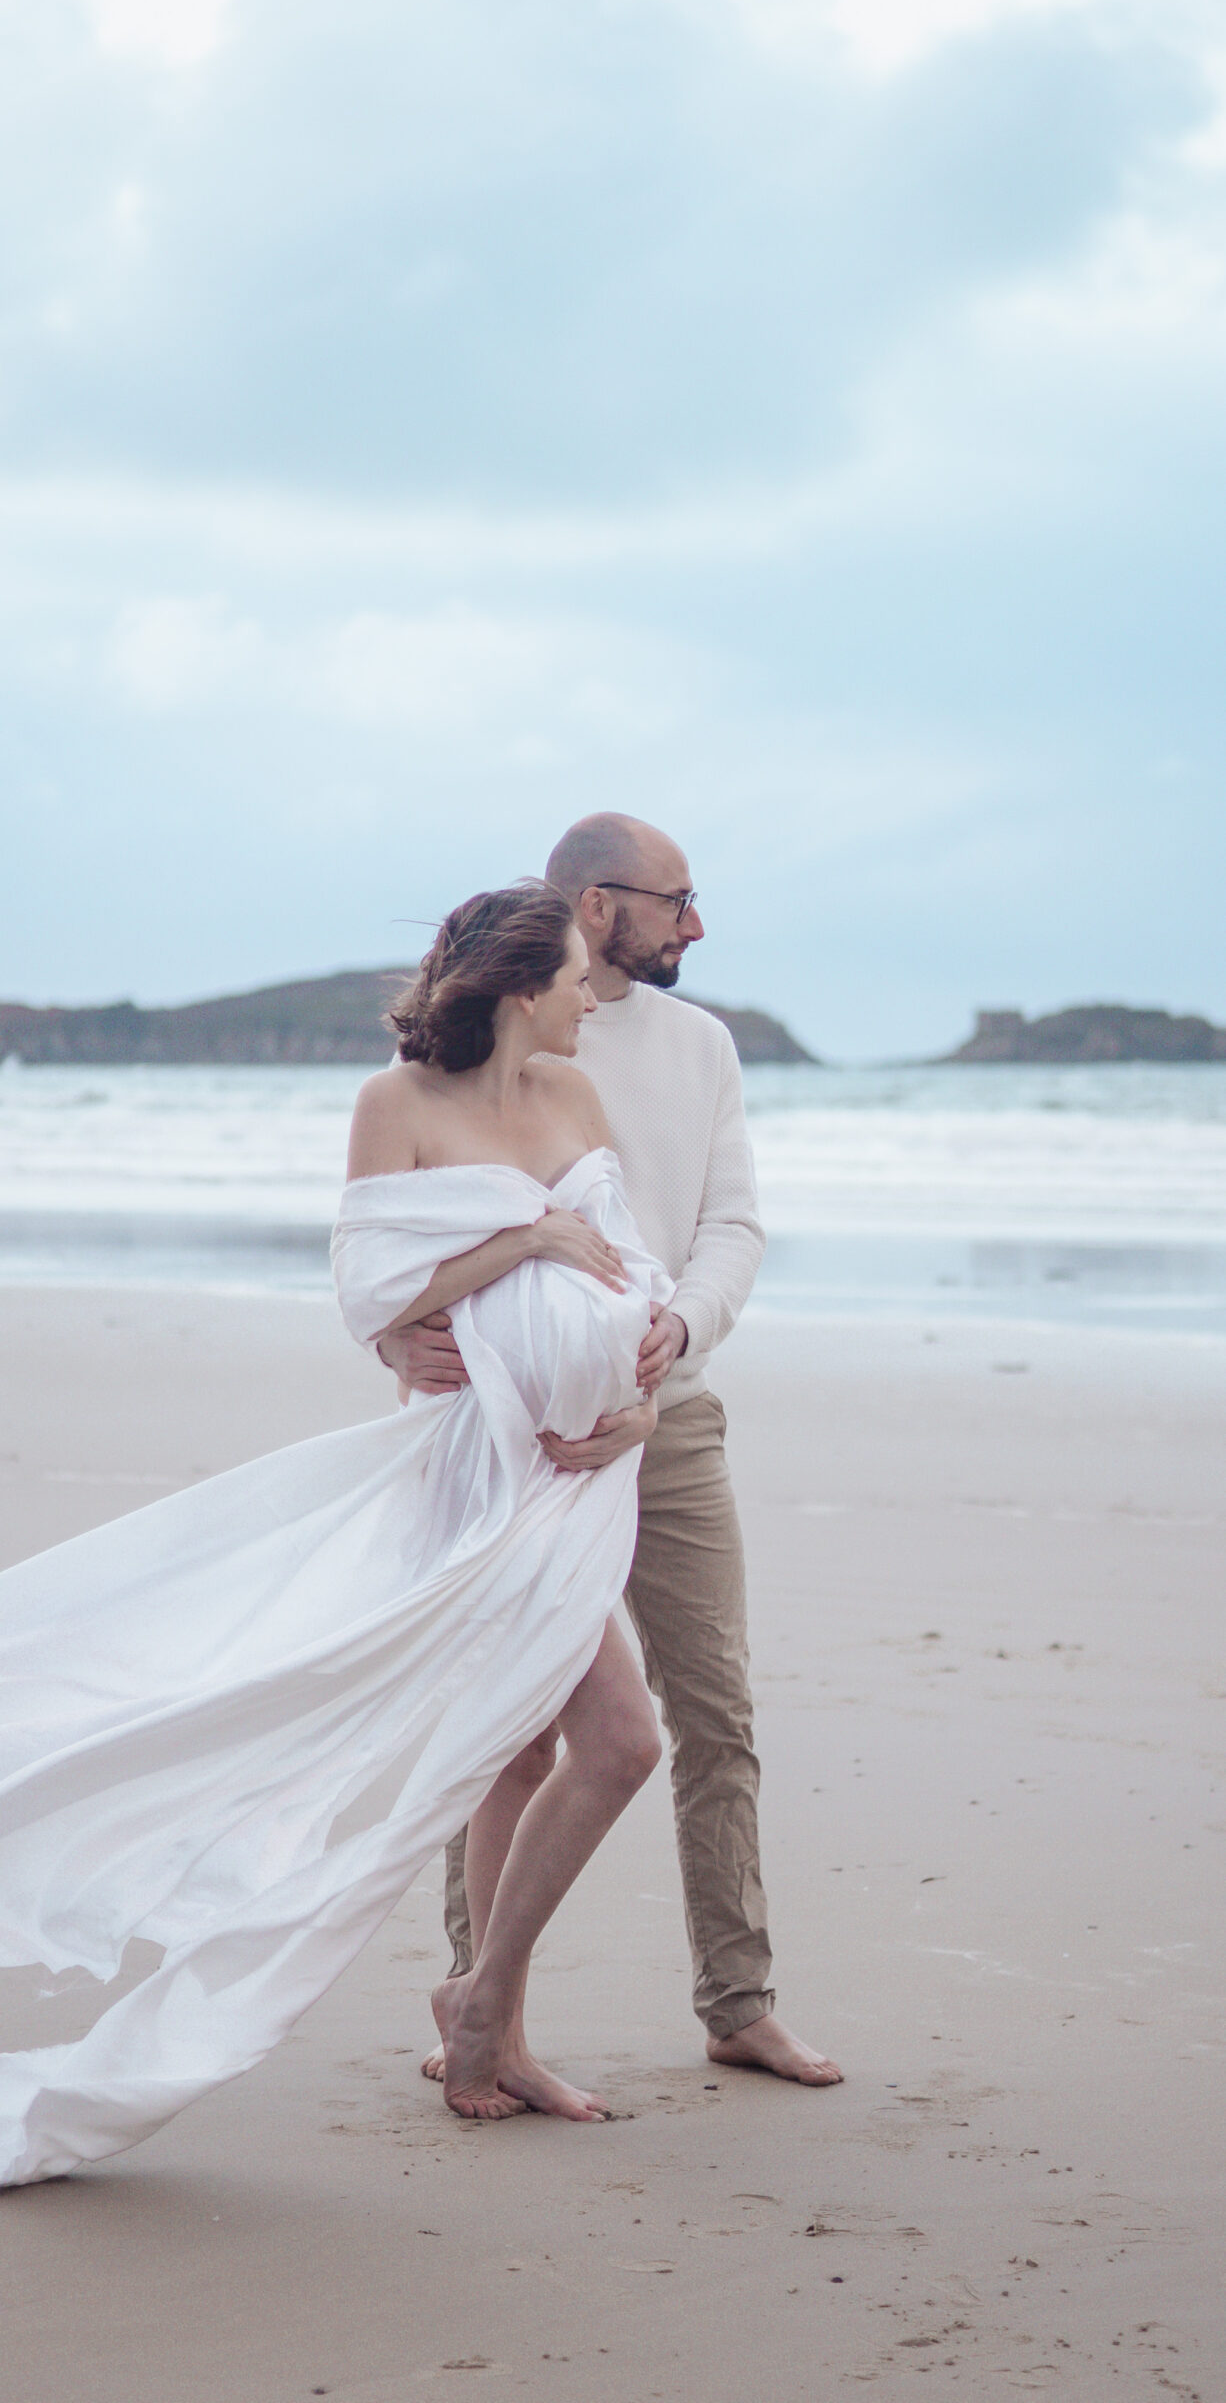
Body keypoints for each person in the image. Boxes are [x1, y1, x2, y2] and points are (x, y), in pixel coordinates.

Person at [0, 883, 680, 2182]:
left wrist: (644, 1389)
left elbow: (638, 1278)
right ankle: (480, 2010)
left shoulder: (581, 1101)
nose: (587, 995)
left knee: (543, 1745)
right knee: (588, 1741)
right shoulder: (396, 1106)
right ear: (515, 986)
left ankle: (481, 2014)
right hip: (472, 1471)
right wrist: (523, 1238)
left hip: (581, 1471)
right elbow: (371, 1295)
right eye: (569, 976)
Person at [386, 815, 842, 2089]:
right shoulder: (480, 1052)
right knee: (512, 1733)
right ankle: (480, 2010)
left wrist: (676, 1330)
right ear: (597, 903)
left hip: (668, 1415)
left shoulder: (697, 1046)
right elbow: (398, 1230)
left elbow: (731, 1222)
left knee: (713, 1711)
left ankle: (736, 2001)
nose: (695, 925)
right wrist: (393, 1348)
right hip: (515, 1435)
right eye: (676, 899)